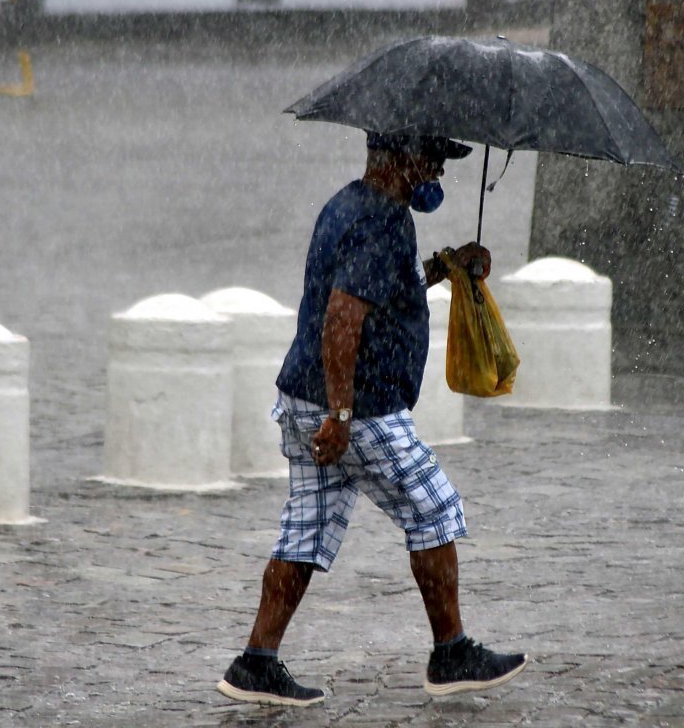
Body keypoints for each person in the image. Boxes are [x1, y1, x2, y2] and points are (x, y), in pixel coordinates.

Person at [216, 132, 528, 707]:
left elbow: (387, 286)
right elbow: (343, 317)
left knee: (306, 528)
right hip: (359, 408)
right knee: (434, 510)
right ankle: (451, 653)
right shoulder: (382, 221)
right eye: (432, 157)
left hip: (305, 396)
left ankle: (255, 662)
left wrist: (447, 265)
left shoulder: (351, 203)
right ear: (400, 157)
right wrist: (341, 415)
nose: (438, 169)